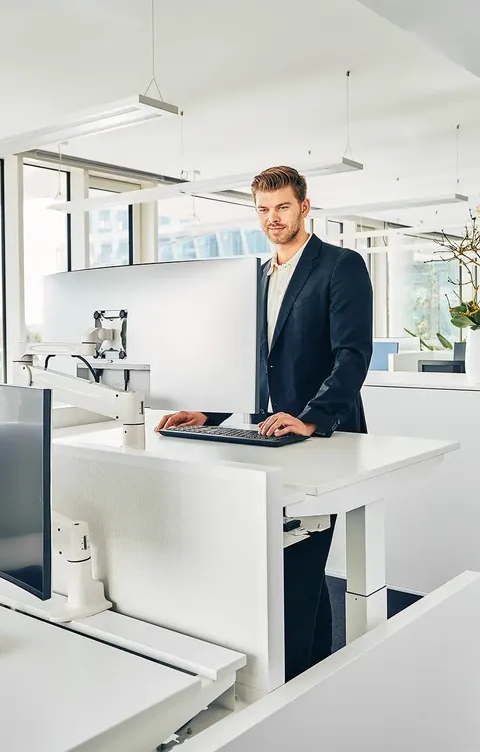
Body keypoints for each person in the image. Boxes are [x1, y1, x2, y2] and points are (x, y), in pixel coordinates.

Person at [155, 165, 374, 680]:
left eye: (281, 207)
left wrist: (310, 419)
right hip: (264, 439)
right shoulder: (254, 277)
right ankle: (316, 675)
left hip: (324, 438)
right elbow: (243, 358)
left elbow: (352, 356)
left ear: (304, 206)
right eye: (262, 209)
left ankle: (289, 688)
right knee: (296, 566)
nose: (272, 219)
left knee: (295, 567)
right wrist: (205, 410)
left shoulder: (341, 266)